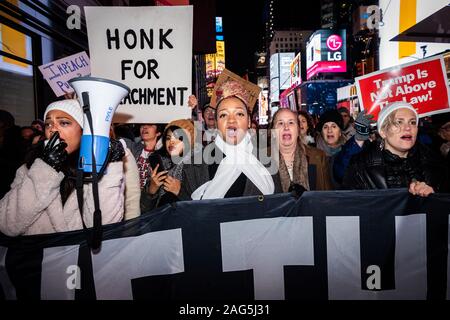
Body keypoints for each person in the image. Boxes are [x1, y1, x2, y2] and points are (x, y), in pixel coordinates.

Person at [0, 99, 126, 236]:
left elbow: (105, 226)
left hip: (80, 256)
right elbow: (7, 225)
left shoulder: (96, 167)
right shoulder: (30, 167)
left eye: (64, 123)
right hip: (38, 256)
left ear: (84, 131)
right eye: (48, 124)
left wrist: (110, 163)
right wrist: (46, 168)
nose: (53, 129)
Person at [179, 80, 282, 200]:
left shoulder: (267, 164)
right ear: (217, 123)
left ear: (248, 121)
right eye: (223, 115)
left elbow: (278, 210)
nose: (231, 120)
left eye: (239, 114)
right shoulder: (194, 166)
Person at [343, 102, 448, 195]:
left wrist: (434, 195)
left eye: (412, 122)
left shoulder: (435, 162)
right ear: (383, 131)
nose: (408, 128)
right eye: (399, 122)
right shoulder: (360, 167)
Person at [271, 108, 332, 192]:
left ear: (298, 129)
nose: (286, 127)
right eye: (281, 123)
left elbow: (326, 197)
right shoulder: (262, 161)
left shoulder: (318, 157)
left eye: (291, 122)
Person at [142, 119, 195, 211]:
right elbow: (144, 210)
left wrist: (180, 192)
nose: (171, 142)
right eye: (168, 138)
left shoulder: (197, 166)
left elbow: (202, 207)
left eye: (178, 138)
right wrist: (151, 191)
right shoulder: (159, 164)